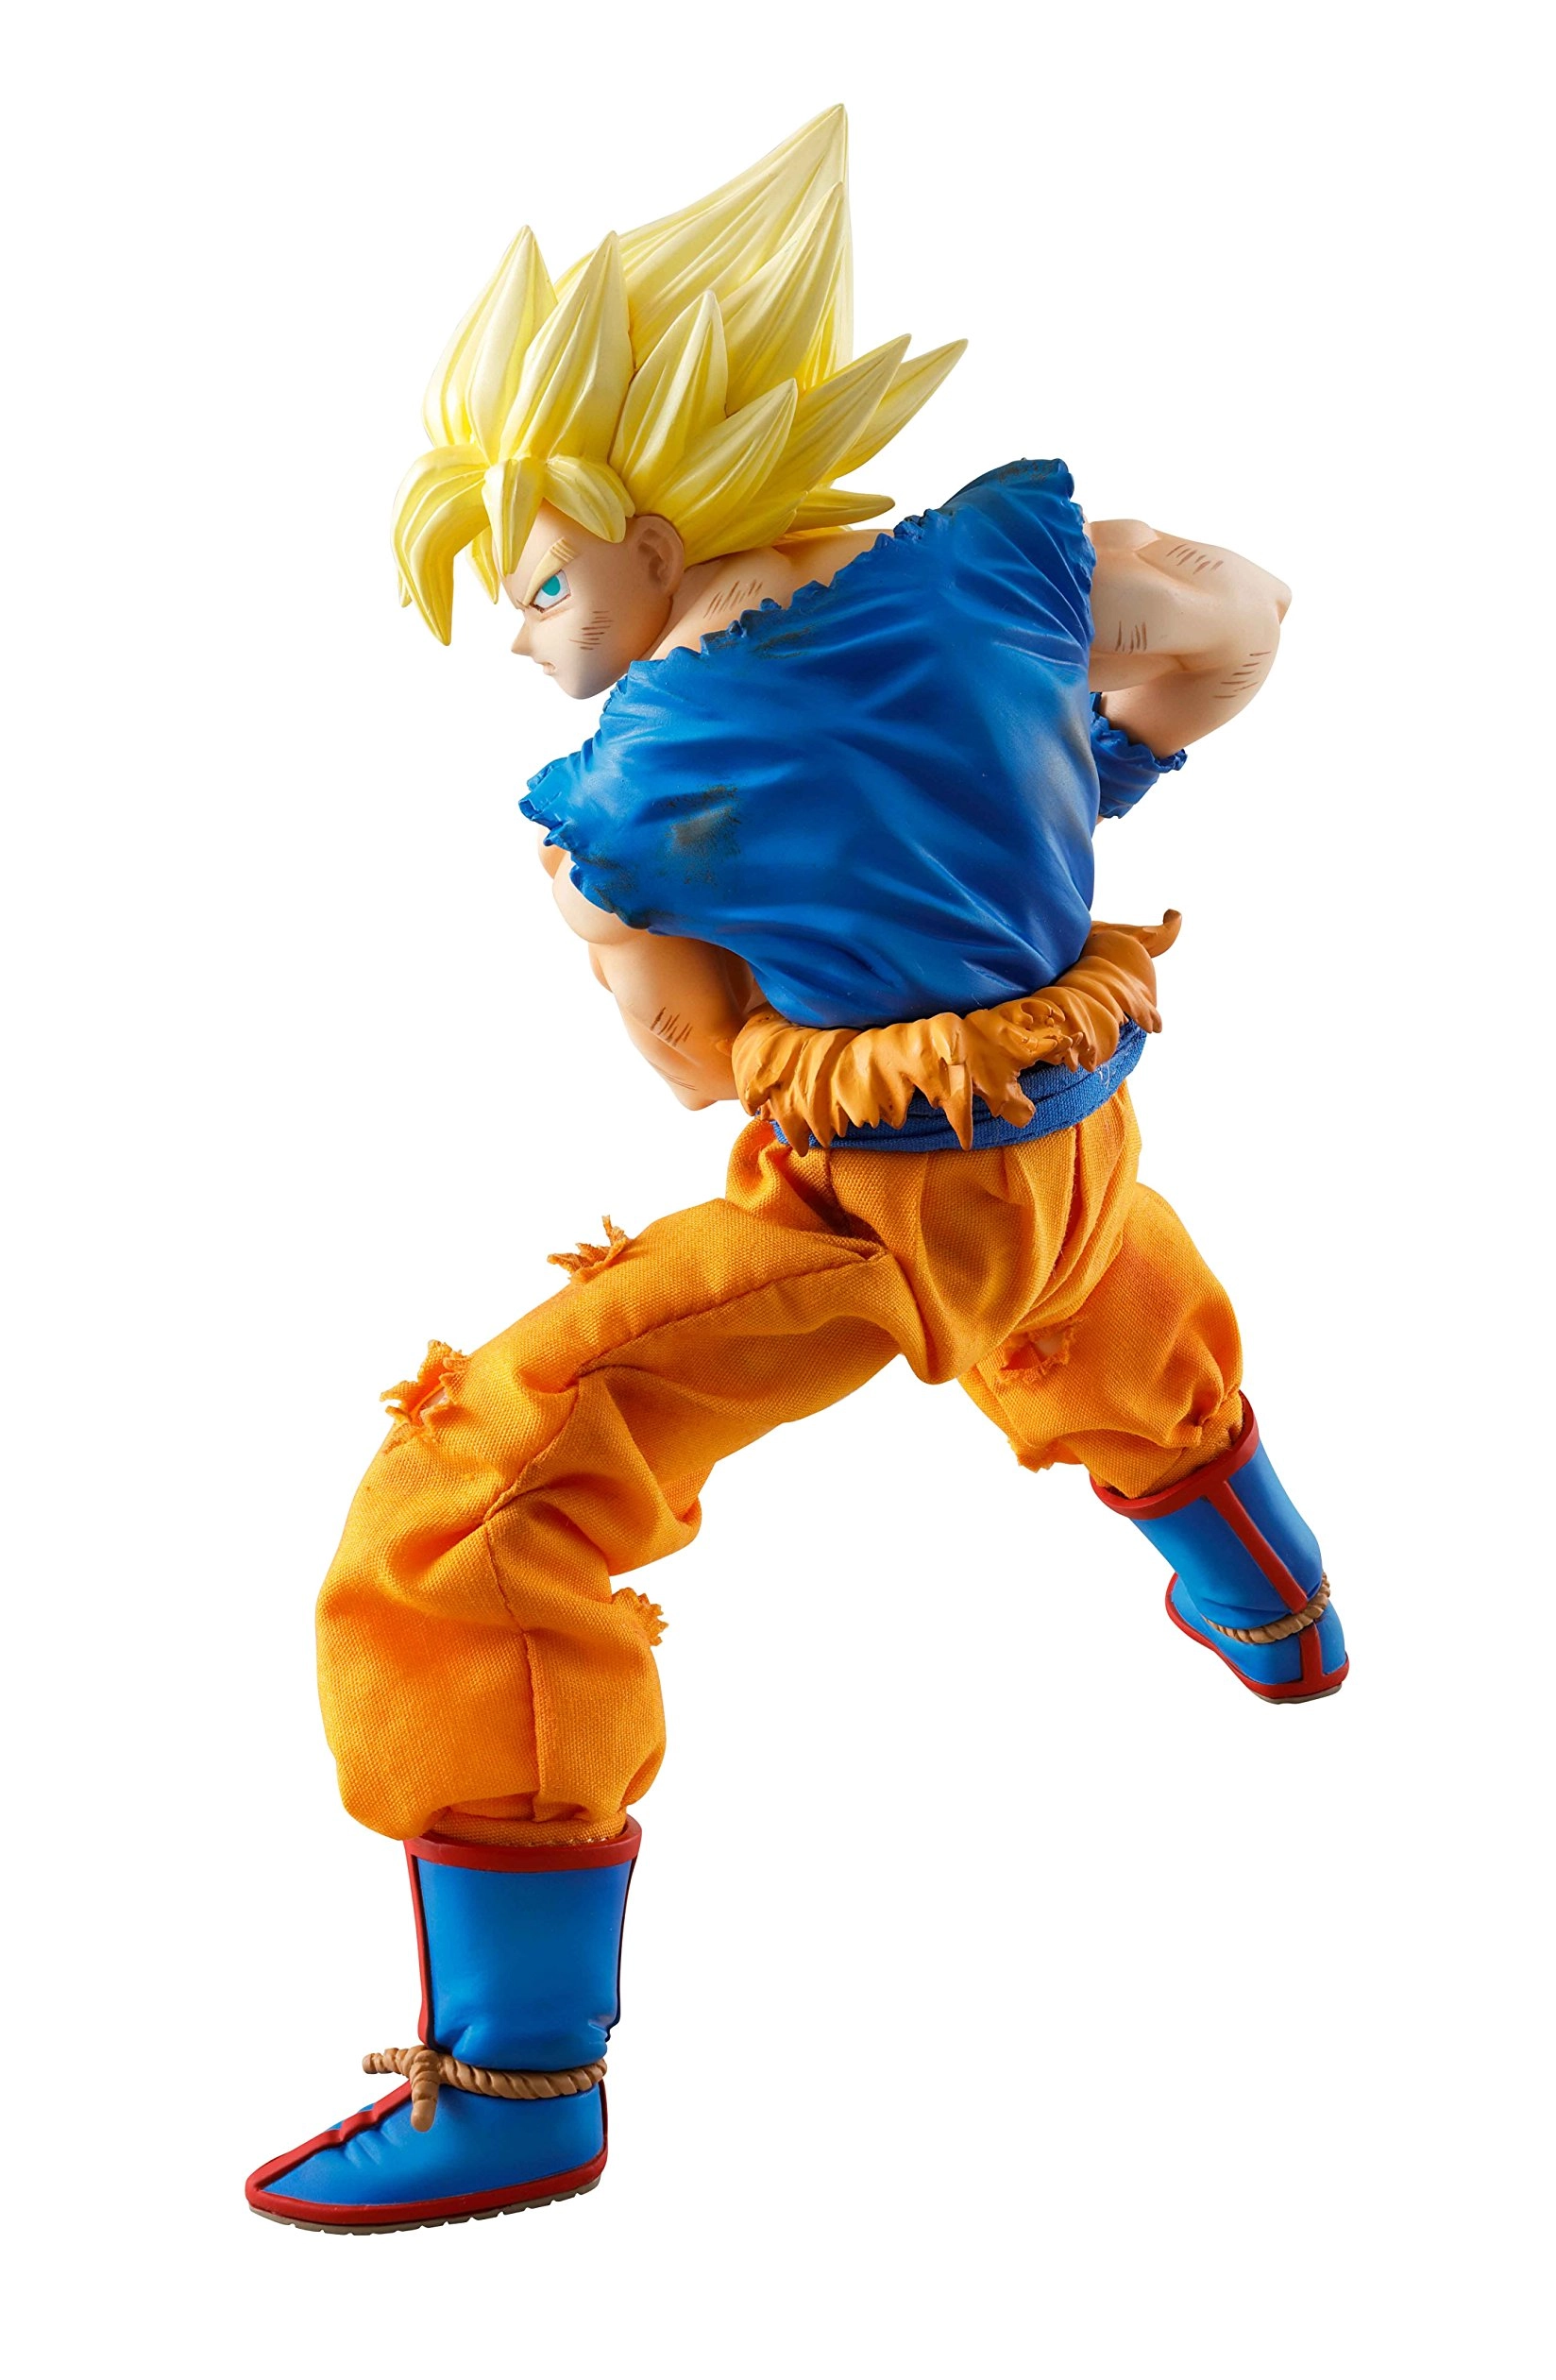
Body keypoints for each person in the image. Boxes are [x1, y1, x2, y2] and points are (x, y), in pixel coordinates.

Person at [246, 109, 1346, 2236]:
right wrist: (1085, 773)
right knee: (1094, 1302)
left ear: (651, 531)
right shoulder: (1010, 561)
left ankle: (518, 2084)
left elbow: (689, 1067)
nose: (513, 632)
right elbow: (1240, 617)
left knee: (475, 1500)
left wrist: (672, 936)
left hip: (878, 1195)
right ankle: (1278, 1612)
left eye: (532, 579)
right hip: (1078, 1120)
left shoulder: (617, 795)